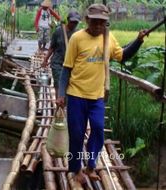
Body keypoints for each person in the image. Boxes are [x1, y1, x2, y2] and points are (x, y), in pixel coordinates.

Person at [56, 3, 148, 184]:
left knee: (98, 130)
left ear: (106, 23)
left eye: (102, 23)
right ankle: (75, 170)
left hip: (97, 96)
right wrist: (61, 94)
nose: (98, 26)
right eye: (95, 22)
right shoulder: (77, 38)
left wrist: (138, 40)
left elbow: (123, 56)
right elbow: (66, 70)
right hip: (76, 95)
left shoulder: (109, 38)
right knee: (76, 133)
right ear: (87, 20)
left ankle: (90, 166)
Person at [41, 11, 81, 97]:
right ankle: (59, 104)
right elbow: (52, 48)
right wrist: (45, 60)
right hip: (57, 63)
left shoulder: (78, 34)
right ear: (68, 20)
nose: (74, 24)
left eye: (76, 23)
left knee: (69, 85)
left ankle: (65, 104)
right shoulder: (58, 32)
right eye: (72, 22)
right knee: (59, 84)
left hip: (71, 64)